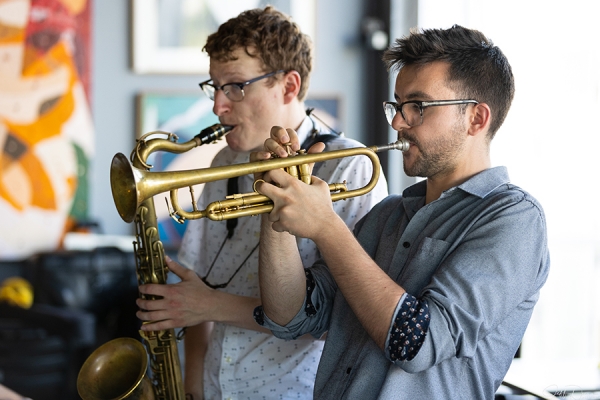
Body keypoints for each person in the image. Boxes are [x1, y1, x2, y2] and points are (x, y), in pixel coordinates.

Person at [252, 25, 550, 399]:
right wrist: (276, 202)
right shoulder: (387, 214)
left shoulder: (513, 220)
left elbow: (417, 341)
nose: (397, 121)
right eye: (398, 104)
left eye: (418, 106)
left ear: (476, 118)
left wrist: (327, 227)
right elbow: (289, 316)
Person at [134, 6, 389, 400]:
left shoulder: (349, 167)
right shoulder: (224, 162)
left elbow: (346, 316)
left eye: (235, 86)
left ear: (288, 86)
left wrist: (211, 305)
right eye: (214, 87)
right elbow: (194, 284)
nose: (218, 106)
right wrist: (192, 384)